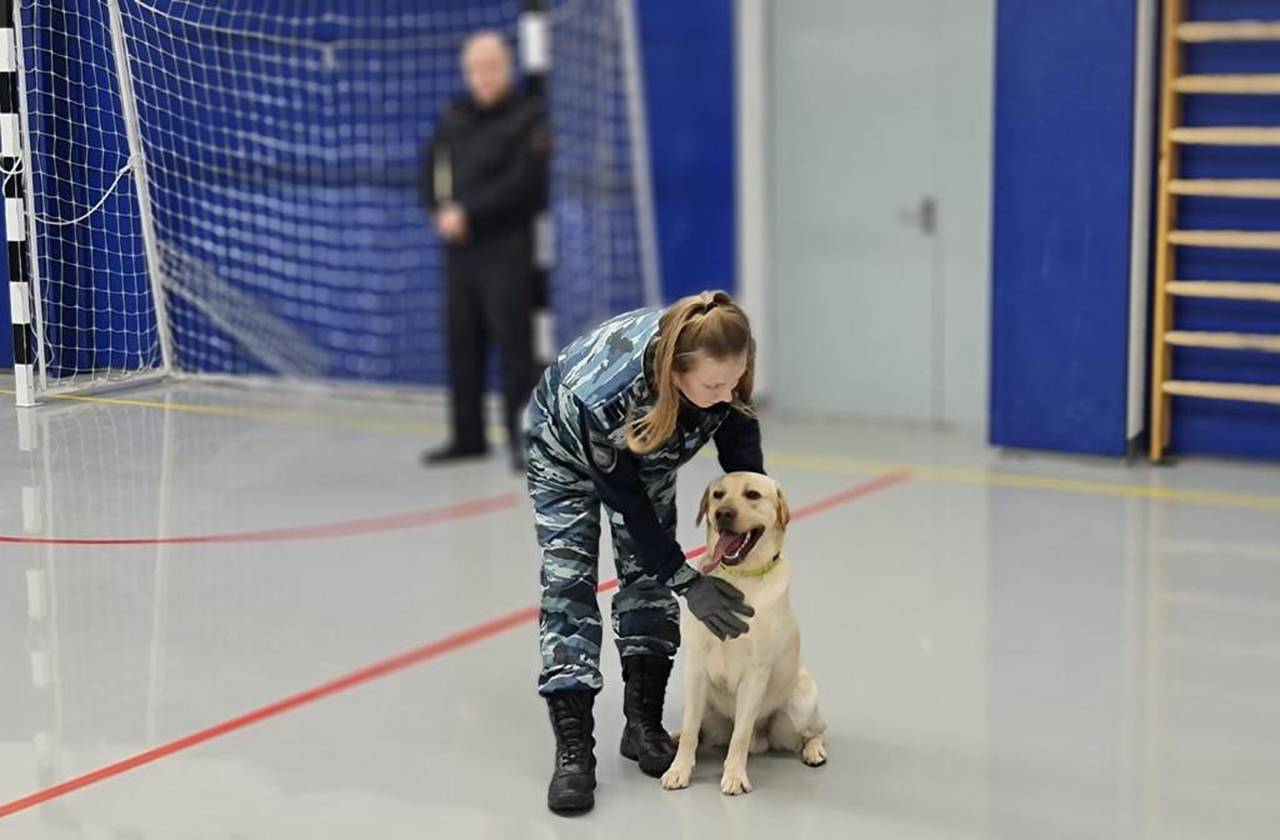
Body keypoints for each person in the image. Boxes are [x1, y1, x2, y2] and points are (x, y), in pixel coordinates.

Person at [524, 291, 766, 814]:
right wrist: (688, 581)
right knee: (569, 588)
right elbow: (628, 505)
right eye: (713, 386)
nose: (727, 394)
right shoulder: (603, 395)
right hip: (564, 457)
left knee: (648, 583)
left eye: (735, 381)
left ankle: (643, 724)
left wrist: (753, 531)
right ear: (675, 372)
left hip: (646, 451)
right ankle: (574, 752)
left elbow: (742, 453)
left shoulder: (724, 361)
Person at [420, 31, 548, 472]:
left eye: (492, 66)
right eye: (476, 68)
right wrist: (439, 211)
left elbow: (524, 185)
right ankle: (467, 435)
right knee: (462, 341)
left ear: (507, 67)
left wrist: (469, 212)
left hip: (506, 248)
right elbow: (430, 170)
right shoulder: (453, 117)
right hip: (460, 251)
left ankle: (523, 440)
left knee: (514, 347)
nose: (484, 76)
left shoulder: (526, 118)